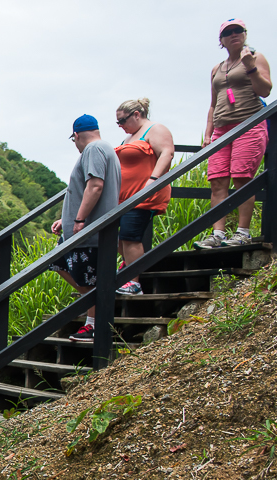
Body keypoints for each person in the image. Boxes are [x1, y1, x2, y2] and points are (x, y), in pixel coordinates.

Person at [197, 19, 271, 249]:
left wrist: (250, 66)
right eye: (228, 32)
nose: (233, 34)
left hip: (248, 125)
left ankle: (242, 232)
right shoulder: (216, 69)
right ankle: (217, 234)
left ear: (245, 34)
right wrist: (208, 135)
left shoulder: (255, 57)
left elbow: (265, 90)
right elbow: (213, 103)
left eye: (238, 30)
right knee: (217, 182)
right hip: (221, 129)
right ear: (221, 41)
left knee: (241, 178)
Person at [49, 115, 122, 343]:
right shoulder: (105, 149)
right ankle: (95, 307)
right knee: (56, 262)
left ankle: (93, 323)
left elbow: (95, 185)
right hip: (82, 230)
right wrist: (66, 219)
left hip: (89, 233)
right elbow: (85, 190)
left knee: (89, 280)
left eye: (74, 140)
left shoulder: (93, 149)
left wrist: (79, 220)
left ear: (77, 136)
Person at [114, 99, 175, 295]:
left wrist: (152, 180)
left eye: (123, 121)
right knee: (117, 238)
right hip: (124, 197)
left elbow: (167, 153)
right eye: (118, 123)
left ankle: (134, 282)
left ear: (137, 114)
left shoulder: (155, 130)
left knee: (130, 236)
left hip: (143, 195)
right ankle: (128, 267)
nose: (121, 126)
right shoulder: (129, 137)